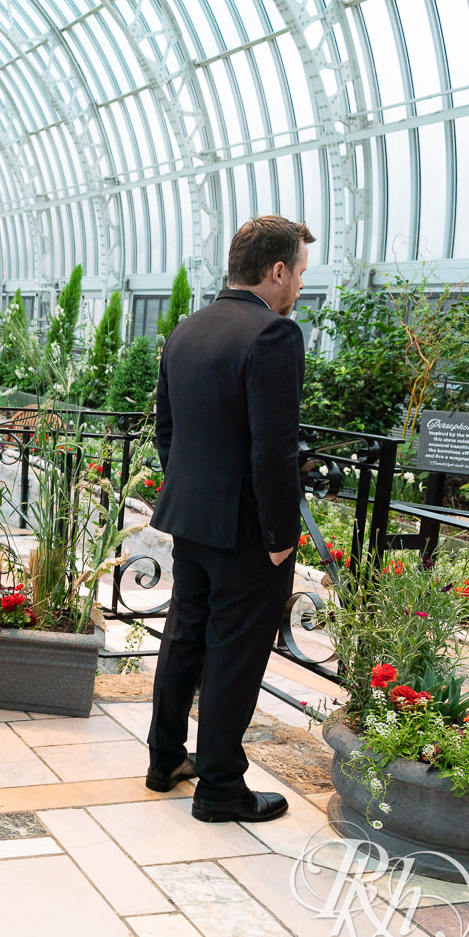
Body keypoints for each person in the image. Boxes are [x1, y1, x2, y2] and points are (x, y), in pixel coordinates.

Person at [144, 216, 313, 824]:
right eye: (297, 271)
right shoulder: (273, 335)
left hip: (190, 518)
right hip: (245, 531)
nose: (298, 284)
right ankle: (219, 788)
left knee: (186, 635)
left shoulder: (186, 329)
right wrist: (278, 537)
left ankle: (165, 759)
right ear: (275, 271)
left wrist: (195, 490)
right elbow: (274, 450)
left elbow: (167, 432)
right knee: (237, 653)